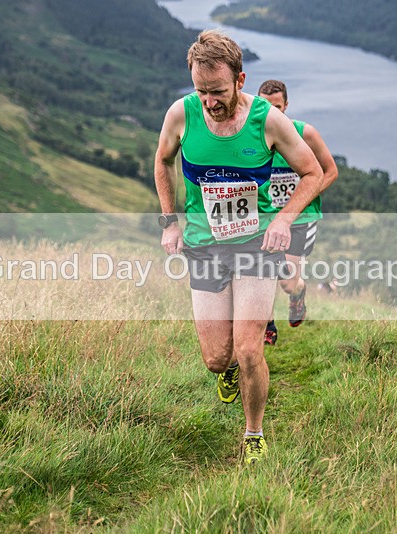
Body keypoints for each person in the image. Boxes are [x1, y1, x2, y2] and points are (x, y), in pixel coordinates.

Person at [154, 30, 324, 464]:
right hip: (204, 245)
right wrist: (170, 222)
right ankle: (226, 371)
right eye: (201, 90)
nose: (210, 101)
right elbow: (163, 161)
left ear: (241, 80)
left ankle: (254, 433)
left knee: (249, 349)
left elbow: (313, 173)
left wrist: (284, 219)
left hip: (255, 243)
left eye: (218, 91)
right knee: (217, 358)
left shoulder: (268, 120)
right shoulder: (181, 114)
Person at [257, 80, 339, 345]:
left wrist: (301, 200)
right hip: (265, 219)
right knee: (262, 273)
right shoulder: (252, 137)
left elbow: (330, 172)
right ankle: (267, 325)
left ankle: (298, 294)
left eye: (277, 107)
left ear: (287, 105)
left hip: (300, 219)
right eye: (265, 106)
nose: (272, 113)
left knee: (287, 282)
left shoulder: (305, 133)